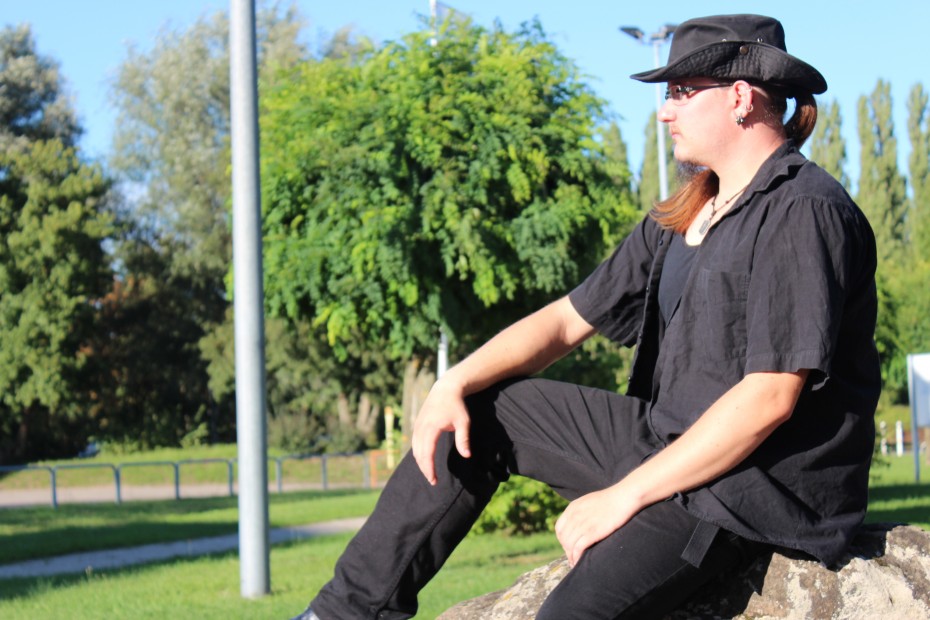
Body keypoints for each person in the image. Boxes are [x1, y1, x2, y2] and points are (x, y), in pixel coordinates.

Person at [293, 13, 880, 620]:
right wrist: (454, 382)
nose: (665, 112)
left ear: (739, 97)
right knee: (480, 411)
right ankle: (341, 615)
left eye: (682, 92)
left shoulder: (803, 210)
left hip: (747, 490)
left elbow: (769, 397)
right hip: (664, 444)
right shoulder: (688, 212)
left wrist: (622, 497)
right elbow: (566, 321)